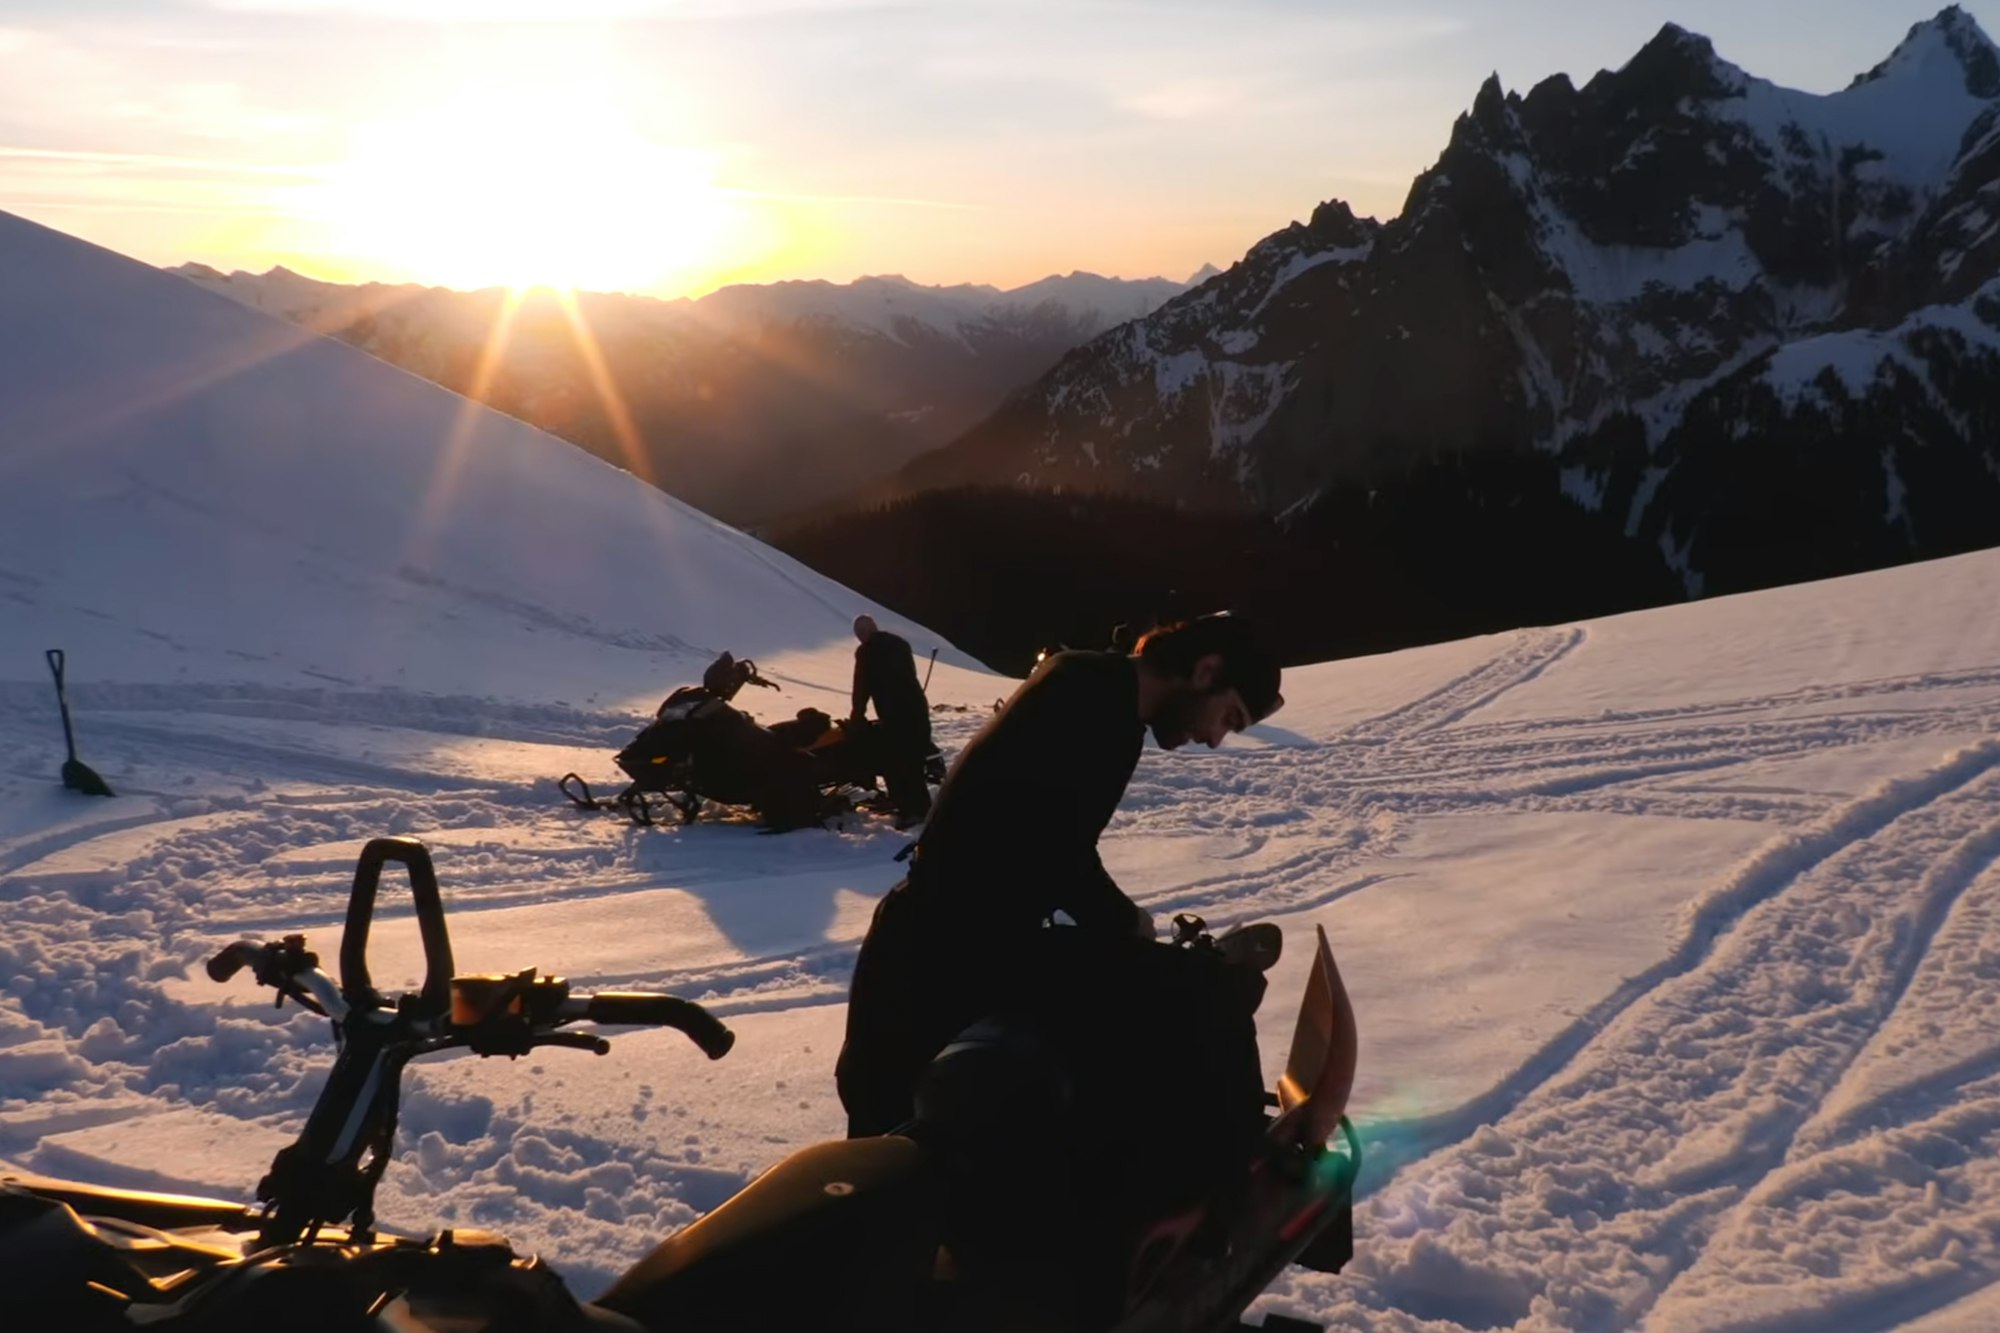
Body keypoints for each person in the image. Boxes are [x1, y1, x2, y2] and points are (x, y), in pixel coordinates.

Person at [834, 611, 1284, 1138]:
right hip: (940, 957)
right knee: (894, 1147)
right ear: (1206, 672)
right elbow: (1049, 844)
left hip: (964, 942)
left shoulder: (1100, 694)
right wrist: (1125, 924)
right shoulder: (1090, 699)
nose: (1214, 739)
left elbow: (1050, 840)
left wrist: (1121, 927)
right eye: (1228, 717)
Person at [849, 615, 935, 829]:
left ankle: (908, 809)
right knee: (914, 761)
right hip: (916, 709)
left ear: (863, 633)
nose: (859, 639)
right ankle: (922, 807)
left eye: (860, 634)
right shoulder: (899, 643)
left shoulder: (867, 652)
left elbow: (862, 686)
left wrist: (857, 716)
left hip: (895, 715)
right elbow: (908, 675)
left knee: (894, 763)